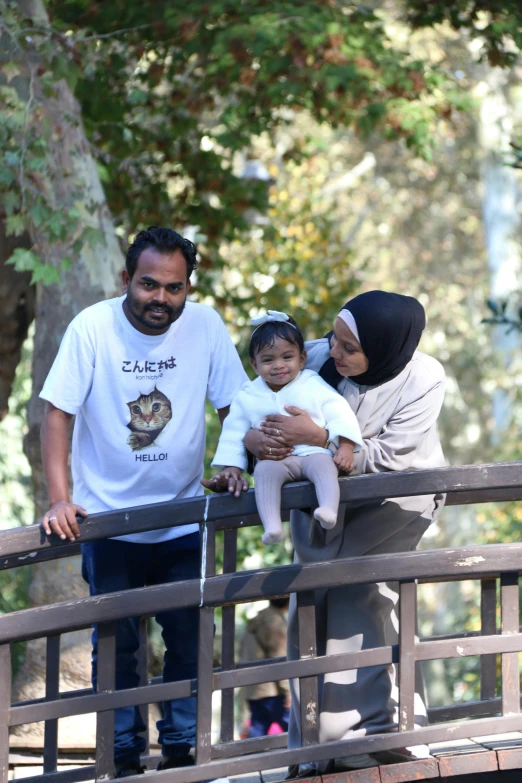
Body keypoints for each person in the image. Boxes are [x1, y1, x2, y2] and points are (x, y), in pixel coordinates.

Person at [39, 226, 248, 780]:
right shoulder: (92, 327)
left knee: (187, 639)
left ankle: (185, 752)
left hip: (181, 518)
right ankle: (123, 760)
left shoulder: (204, 326)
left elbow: (235, 408)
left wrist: (234, 464)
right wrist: (60, 500)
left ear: (188, 288)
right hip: (107, 523)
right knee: (117, 652)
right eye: (150, 285)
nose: (162, 299)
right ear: (126, 279)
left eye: (175, 288)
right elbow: (57, 413)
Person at [243, 291, 446, 777]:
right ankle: (314, 743)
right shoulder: (314, 356)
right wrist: (252, 440)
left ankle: (378, 732)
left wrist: (321, 439)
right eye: (335, 338)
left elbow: (390, 458)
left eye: (349, 347)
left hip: (395, 500)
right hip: (326, 503)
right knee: (308, 604)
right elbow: (254, 406)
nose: (333, 351)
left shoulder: (423, 377)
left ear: (387, 347)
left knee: (360, 597)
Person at [209, 311, 362, 545]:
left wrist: (346, 447)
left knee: (325, 467)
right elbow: (233, 431)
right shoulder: (248, 395)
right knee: (263, 473)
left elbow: (339, 413)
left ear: (302, 358)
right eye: (268, 360)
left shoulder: (312, 383)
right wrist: (232, 467)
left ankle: (328, 509)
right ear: (254, 364)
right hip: (275, 461)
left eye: (287, 357)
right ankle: (271, 526)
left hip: (313, 453)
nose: (279, 366)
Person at [241, 598, 291, 738]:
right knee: (294, 731)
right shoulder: (275, 622)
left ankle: (250, 760)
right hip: (273, 690)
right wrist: (288, 691)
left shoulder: (256, 619)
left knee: (257, 732)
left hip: (254, 688)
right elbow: (279, 658)